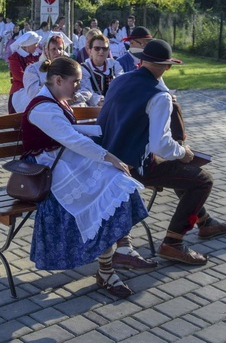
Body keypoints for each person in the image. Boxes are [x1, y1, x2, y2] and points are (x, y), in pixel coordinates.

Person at [22, 56, 148, 298]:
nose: (78, 87)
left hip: (63, 160)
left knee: (119, 182)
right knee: (106, 184)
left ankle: (120, 250)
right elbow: (71, 139)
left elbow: (68, 133)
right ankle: (109, 267)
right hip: (46, 169)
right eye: (75, 82)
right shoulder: (43, 108)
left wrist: (99, 131)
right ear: (58, 80)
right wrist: (108, 156)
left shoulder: (54, 99)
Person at [98, 40, 226, 265]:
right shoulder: (160, 95)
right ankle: (173, 242)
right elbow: (161, 145)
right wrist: (183, 152)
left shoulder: (120, 80)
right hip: (131, 167)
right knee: (202, 180)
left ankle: (205, 221)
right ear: (168, 67)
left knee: (182, 172)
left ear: (141, 61)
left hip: (104, 158)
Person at [17, 32, 71, 112]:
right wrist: (61, 96)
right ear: (46, 51)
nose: (58, 52)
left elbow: (80, 88)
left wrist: (73, 96)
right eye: (53, 49)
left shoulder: (68, 69)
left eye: (60, 49)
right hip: (43, 110)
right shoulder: (33, 69)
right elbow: (34, 93)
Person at [78, 33, 123, 107]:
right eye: (97, 48)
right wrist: (98, 100)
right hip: (93, 109)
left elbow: (121, 84)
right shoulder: (84, 68)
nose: (101, 51)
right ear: (90, 51)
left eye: (104, 48)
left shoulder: (114, 65)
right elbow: (86, 90)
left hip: (114, 104)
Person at [7, 31, 40, 114]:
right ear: (28, 45)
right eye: (35, 43)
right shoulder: (15, 57)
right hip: (20, 91)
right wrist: (35, 82)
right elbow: (19, 75)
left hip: (35, 88)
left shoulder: (36, 56)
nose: (37, 46)